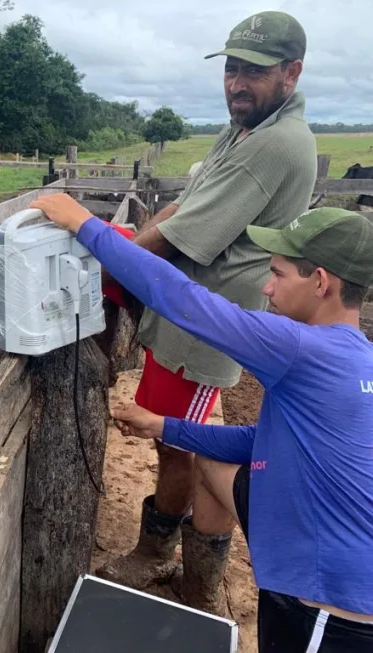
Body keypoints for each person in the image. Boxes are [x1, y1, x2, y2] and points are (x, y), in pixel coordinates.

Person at [34, 193, 373, 651]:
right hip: (332, 564)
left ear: (320, 282)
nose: (267, 288)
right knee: (212, 464)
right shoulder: (357, 358)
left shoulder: (300, 348)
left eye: (277, 274)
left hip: (330, 607)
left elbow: (182, 299)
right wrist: (164, 427)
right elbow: (264, 442)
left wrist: (84, 224)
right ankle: (200, 591)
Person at [92, 10, 318, 600]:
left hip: (206, 323)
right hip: (185, 312)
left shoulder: (275, 144)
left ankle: (174, 566)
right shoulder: (242, 127)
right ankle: (177, 560)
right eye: (231, 69)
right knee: (176, 437)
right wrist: (123, 253)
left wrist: (106, 263)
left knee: (183, 443)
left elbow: (181, 236)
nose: (237, 84)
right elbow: (181, 208)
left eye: (254, 72)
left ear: (292, 73)